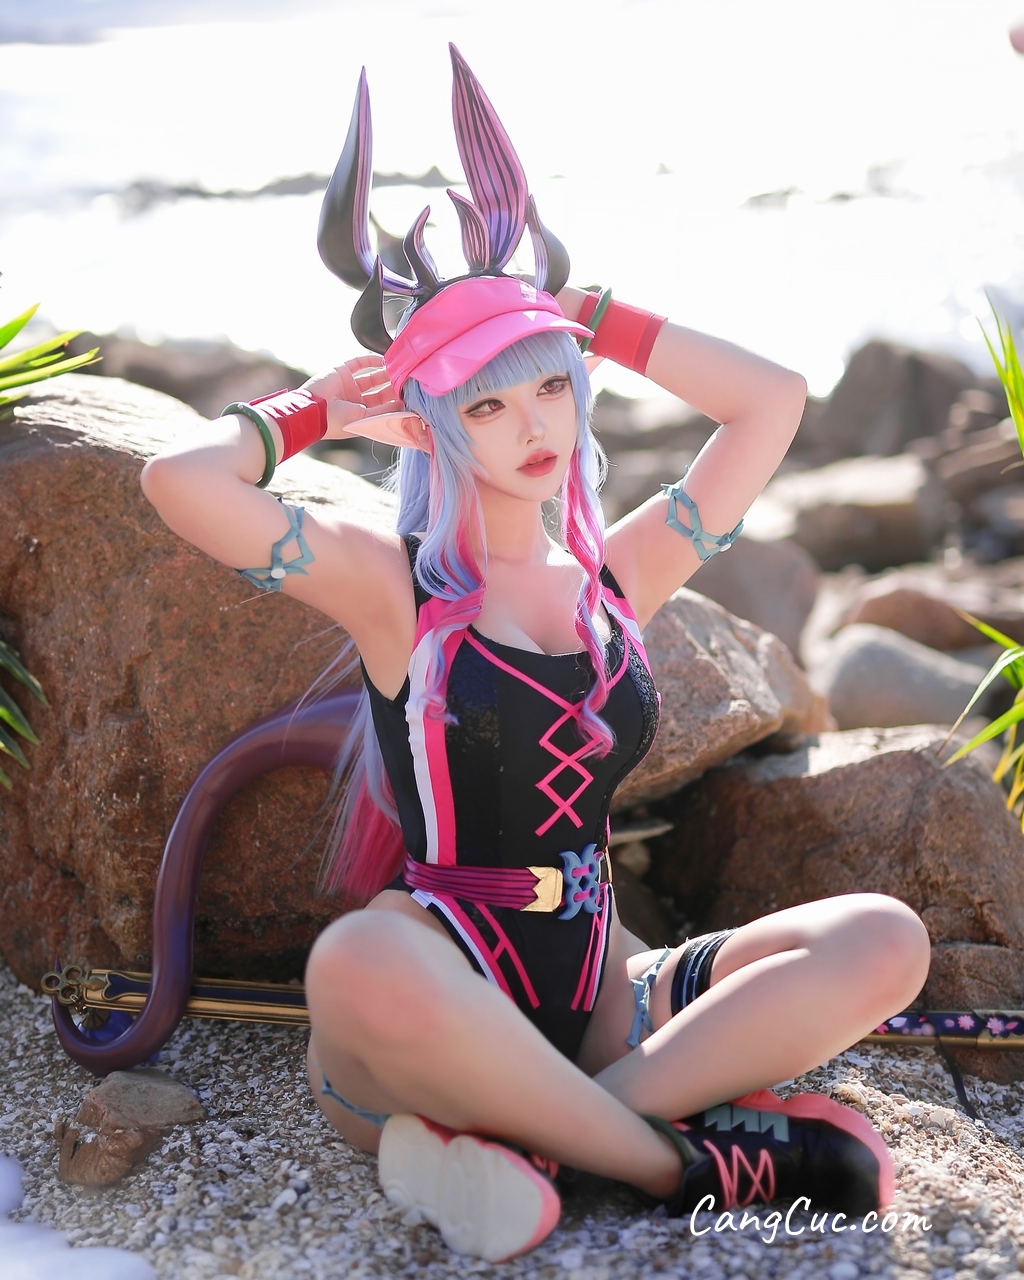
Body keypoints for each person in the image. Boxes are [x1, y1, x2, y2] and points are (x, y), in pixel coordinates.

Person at [140, 47, 931, 1264]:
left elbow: (773, 401)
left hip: (601, 998)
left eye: (550, 388)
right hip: (430, 1005)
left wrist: (594, 316)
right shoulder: (393, 585)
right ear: (430, 427)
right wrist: (319, 409)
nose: (533, 427)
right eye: (487, 405)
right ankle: (673, 1162)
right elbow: (177, 482)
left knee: (883, 937)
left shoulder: (616, 578)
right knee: (352, 957)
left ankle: (555, 1141)